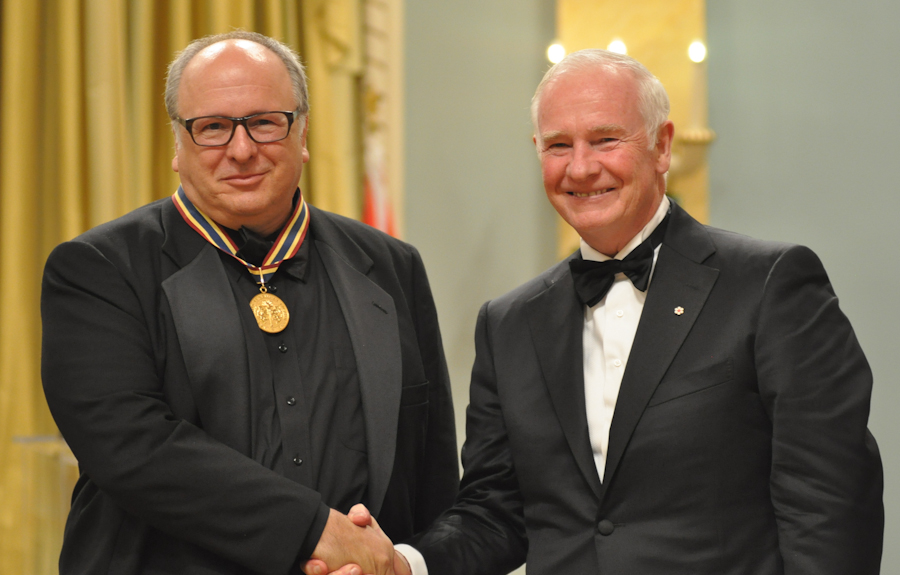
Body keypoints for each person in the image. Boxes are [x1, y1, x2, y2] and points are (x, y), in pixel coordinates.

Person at [313, 48, 884, 575]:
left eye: (605, 140)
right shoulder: (508, 323)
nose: (581, 169)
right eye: (558, 145)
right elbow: (497, 512)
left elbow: (829, 503)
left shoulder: (770, 284)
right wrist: (403, 564)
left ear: (662, 146)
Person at [41, 31, 457, 575]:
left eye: (264, 122)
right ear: (178, 144)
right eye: (212, 127)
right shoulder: (99, 269)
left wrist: (406, 563)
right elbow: (135, 450)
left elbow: (433, 478)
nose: (241, 150)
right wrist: (316, 531)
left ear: (302, 133)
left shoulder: (391, 265)